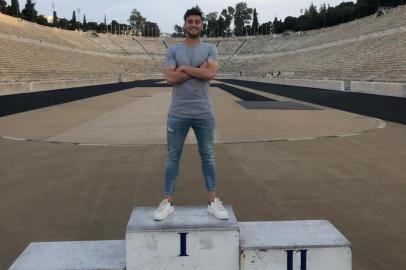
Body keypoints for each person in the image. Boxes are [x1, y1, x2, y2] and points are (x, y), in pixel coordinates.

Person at [153, 7, 229, 221]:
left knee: (208, 156)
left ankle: (213, 201)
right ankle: (167, 201)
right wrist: (196, 68)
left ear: (202, 25)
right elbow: (170, 79)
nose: (194, 24)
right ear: (184, 25)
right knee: (172, 157)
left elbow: (211, 73)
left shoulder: (210, 49)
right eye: (190, 21)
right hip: (178, 112)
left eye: (197, 21)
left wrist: (183, 69)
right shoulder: (173, 50)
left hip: (204, 112)